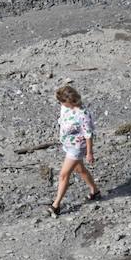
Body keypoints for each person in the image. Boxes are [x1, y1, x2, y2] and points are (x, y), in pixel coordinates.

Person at [49, 84, 101, 217]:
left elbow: (88, 134)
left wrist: (89, 153)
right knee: (80, 169)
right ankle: (94, 190)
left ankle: (56, 205)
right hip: (67, 144)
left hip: (77, 148)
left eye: (63, 102)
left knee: (63, 175)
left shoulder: (83, 114)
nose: (61, 104)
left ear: (70, 100)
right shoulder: (65, 107)